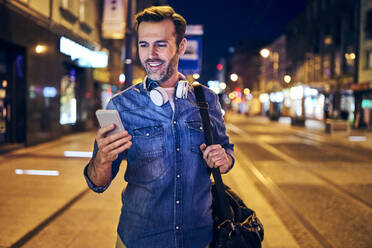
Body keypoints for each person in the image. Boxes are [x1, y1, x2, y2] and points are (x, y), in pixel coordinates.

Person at [84, 6, 234, 248]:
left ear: (181, 46)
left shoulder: (207, 100)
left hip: (198, 239)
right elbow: (97, 183)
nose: (150, 54)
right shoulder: (119, 106)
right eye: (144, 44)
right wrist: (101, 159)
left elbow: (227, 150)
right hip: (139, 239)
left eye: (160, 44)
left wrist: (225, 159)